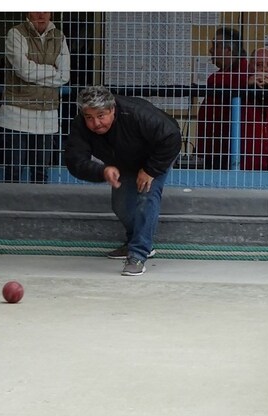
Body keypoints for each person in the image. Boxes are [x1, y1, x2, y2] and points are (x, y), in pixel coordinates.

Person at [64, 85, 181, 276]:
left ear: (112, 109)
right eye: (89, 117)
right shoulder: (80, 126)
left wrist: (151, 170)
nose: (96, 123)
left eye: (101, 116)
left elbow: (171, 137)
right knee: (120, 205)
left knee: (146, 197)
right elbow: (74, 160)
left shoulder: (136, 113)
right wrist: (102, 171)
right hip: (122, 161)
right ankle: (135, 241)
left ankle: (138, 254)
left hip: (155, 155)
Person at [0, 12, 70, 183]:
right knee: (13, 172)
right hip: (15, 114)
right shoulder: (16, 33)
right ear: (28, 11)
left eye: (46, 9)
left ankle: (39, 210)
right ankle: (11, 209)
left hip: (47, 114)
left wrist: (34, 72)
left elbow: (64, 75)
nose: (41, 14)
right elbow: (23, 70)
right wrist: (52, 71)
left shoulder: (59, 37)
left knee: (40, 173)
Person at [196, 26, 249, 170]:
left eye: (216, 45)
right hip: (214, 149)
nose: (211, 50)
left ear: (229, 49)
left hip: (229, 150)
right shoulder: (222, 75)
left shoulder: (243, 71)